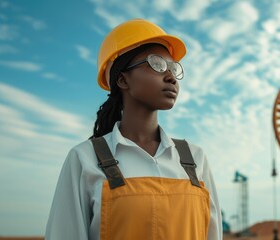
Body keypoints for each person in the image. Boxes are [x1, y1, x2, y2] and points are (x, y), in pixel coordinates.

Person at [45, 18, 222, 240]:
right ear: (122, 79)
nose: (171, 77)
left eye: (173, 68)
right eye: (156, 64)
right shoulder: (84, 158)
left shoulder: (195, 159)